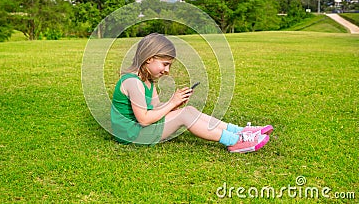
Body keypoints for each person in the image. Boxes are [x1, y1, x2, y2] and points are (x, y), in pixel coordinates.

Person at [110, 33, 273, 153]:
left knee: (188, 111)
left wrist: (173, 105)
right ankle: (235, 141)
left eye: (169, 66)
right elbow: (144, 119)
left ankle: (239, 130)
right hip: (133, 135)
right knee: (185, 116)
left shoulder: (147, 81)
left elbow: (155, 108)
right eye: (165, 64)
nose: (167, 70)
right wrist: (172, 104)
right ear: (148, 59)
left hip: (138, 130)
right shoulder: (133, 82)